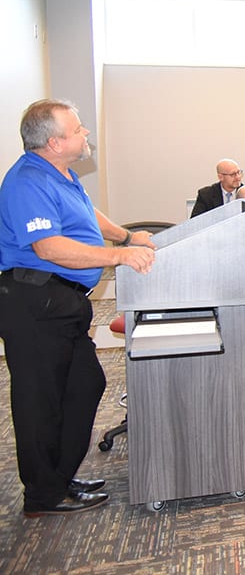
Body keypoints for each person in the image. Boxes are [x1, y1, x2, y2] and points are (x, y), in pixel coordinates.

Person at [0, 99, 156, 518]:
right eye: (78, 129)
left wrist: (124, 237)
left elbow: (88, 216)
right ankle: (42, 495)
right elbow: (49, 247)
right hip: (34, 302)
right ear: (54, 142)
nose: (85, 133)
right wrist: (118, 258)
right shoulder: (28, 181)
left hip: (61, 302)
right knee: (40, 401)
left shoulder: (62, 175)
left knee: (84, 385)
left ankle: (59, 477)